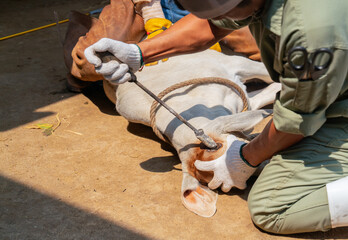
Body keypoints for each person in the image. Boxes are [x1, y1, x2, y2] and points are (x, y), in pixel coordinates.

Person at [84, 0, 348, 234]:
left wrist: (244, 157)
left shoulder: (312, 35)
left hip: (337, 114)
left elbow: (295, 122)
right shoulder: (257, 5)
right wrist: (139, 53)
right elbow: (210, 26)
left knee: (270, 208)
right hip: (330, 99)